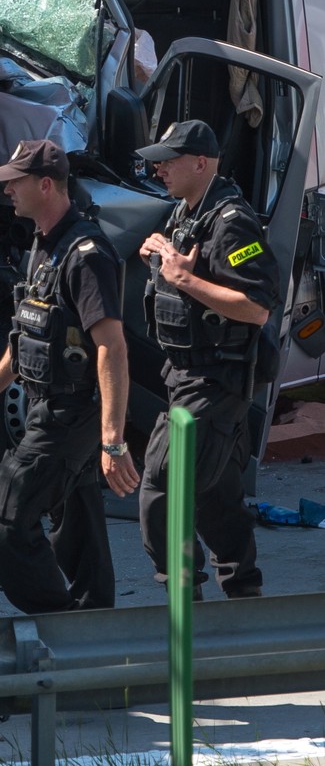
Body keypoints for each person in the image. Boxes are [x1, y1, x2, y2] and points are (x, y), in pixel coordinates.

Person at [0, 139, 140, 614]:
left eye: (15, 183)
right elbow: (27, 336)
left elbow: (111, 346)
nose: (8, 193)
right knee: (76, 519)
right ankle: (94, 621)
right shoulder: (45, 247)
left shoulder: (86, 254)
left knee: (7, 515)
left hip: (72, 412)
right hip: (50, 403)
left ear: (45, 185)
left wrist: (112, 441)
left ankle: (56, 623)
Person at [136, 119, 280, 600]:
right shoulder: (188, 210)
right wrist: (158, 258)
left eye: (169, 160)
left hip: (215, 379)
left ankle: (184, 602)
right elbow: (182, 270)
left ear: (201, 163)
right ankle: (244, 599)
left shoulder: (233, 222)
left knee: (162, 488)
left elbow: (257, 307)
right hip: (184, 373)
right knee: (216, 495)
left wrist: (183, 280)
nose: (159, 169)